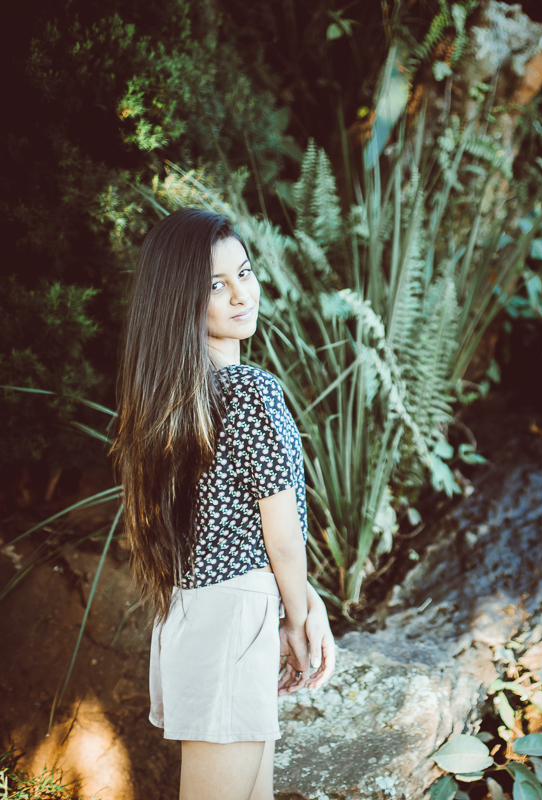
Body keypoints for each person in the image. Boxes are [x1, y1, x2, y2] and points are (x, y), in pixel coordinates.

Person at [111, 207, 336, 799]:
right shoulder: (249, 393)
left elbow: (229, 533)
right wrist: (299, 616)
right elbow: (280, 535)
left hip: (196, 616)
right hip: (238, 618)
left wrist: (296, 601)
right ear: (182, 300)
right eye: (216, 284)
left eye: (245, 271)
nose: (242, 293)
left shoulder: (168, 406)